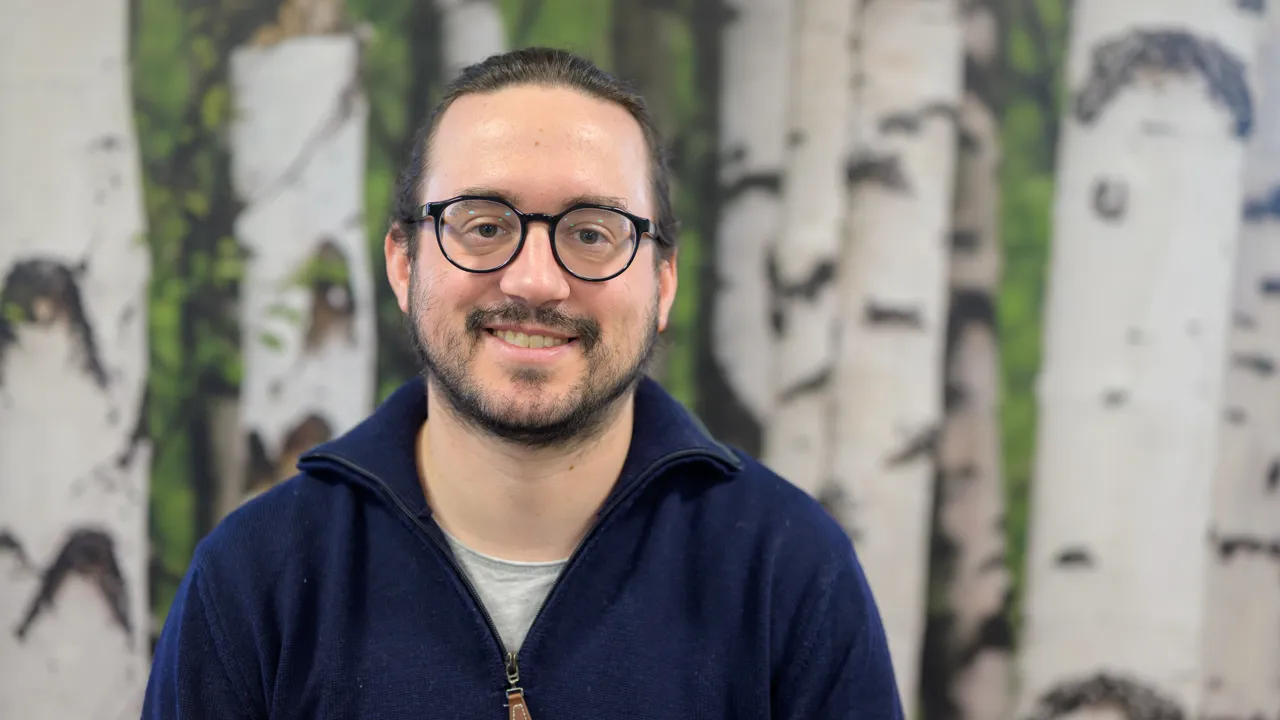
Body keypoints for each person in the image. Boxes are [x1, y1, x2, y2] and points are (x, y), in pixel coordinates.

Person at [142, 47, 903, 719]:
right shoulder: (255, 578)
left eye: (592, 233)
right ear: (404, 264)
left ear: (664, 284)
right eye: (483, 225)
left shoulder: (790, 570)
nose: (535, 280)